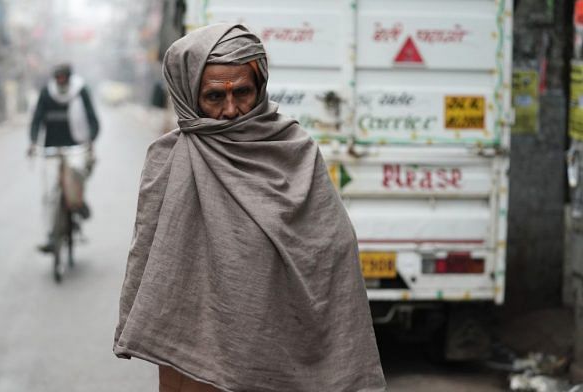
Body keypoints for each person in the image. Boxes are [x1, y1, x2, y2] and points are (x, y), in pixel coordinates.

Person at [113, 24, 385, 392]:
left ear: (260, 87)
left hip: (280, 342)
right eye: (213, 97)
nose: (230, 110)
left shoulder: (295, 149)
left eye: (242, 92)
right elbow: (152, 265)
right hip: (195, 356)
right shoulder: (169, 159)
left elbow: (333, 246)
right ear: (189, 94)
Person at [28, 64, 100, 252]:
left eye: (63, 79)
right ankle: (53, 235)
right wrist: (34, 142)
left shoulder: (79, 91)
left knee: (77, 175)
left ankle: (79, 203)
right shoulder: (47, 93)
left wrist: (90, 140)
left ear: (69, 78)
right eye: (57, 79)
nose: (60, 82)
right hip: (51, 149)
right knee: (51, 194)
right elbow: (36, 120)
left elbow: (93, 120)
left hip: (76, 147)